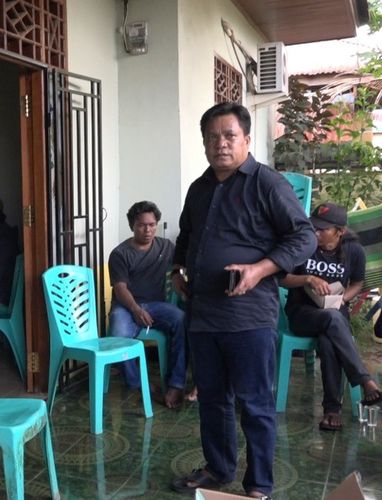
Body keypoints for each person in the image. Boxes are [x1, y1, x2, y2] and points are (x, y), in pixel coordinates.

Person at [170, 102, 316, 499]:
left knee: (254, 404)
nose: (221, 144)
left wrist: (261, 269)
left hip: (248, 316)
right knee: (212, 400)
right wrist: (176, 270)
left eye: (229, 135)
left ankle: (259, 485)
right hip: (202, 315)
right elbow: (186, 236)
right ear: (204, 143)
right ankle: (219, 469)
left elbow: (304, 236)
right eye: (212, 137)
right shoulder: (199, 188)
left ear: (246, 140)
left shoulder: (266, 183)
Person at [282, 202, 382, 430]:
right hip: (302, 313)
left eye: (322, 229)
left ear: (340, 231)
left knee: (329, 339)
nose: (315, 232)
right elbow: (281, 277)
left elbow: (357, 283)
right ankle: (365, 381)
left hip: (335, 312)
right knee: (332, 320)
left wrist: (342, 299)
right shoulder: (303, 245)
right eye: (313, 227)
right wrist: (307, 279)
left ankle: (331, 411)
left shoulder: (353, 251)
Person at [108, 201, 187, 409]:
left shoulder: (165, 247)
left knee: (182, 320)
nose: (148, 230)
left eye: (152, 224)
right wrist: (135, 309)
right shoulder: (120, 253)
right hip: (126, 306)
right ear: (132, 225)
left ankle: (176, 383)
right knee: (118, 330)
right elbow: (120, 288)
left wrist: (179, 275)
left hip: (156, 305)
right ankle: (137, 383)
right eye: (142, 225)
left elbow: (181, 263)